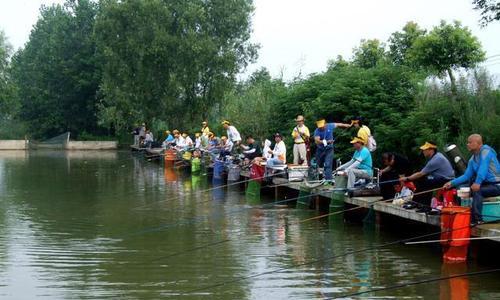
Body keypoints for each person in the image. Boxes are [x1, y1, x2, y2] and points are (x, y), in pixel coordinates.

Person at [444, 134, 500, 224]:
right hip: (486, 184)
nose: (467, 144)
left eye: (470, 142)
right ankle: (461, 215)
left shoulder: (486, 151)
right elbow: (466, 176)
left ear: (478, 143)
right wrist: (451, 183)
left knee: (477, 191)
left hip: (497, 185)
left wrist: (477, 182)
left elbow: (483, 168)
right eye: (467, 142)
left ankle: (477, 219)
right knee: (461, 190)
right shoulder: (472, 159)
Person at [401, 141, 455, 211]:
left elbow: (420, 174)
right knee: (422, 180)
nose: (423, 151)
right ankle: (418, 202)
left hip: (446, 180)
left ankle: (424, 205)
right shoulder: (436, 156)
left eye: (425, 150)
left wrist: (407, 179)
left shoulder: (436, 159)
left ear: (431, 150)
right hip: (441, 178)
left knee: (424, 181)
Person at [313, 118, 352, 183]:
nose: (321, 128)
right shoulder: (317, 131)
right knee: (317, 164)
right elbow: (317, 141)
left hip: (329, 149)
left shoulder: (330, 125)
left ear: (325, 124)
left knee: (328, 164)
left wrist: (348, 125)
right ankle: (315, 179)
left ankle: (329, 181)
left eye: (322, 126)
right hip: (320, 149)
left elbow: (339, 124)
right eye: (319, 126)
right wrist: (326, 142)